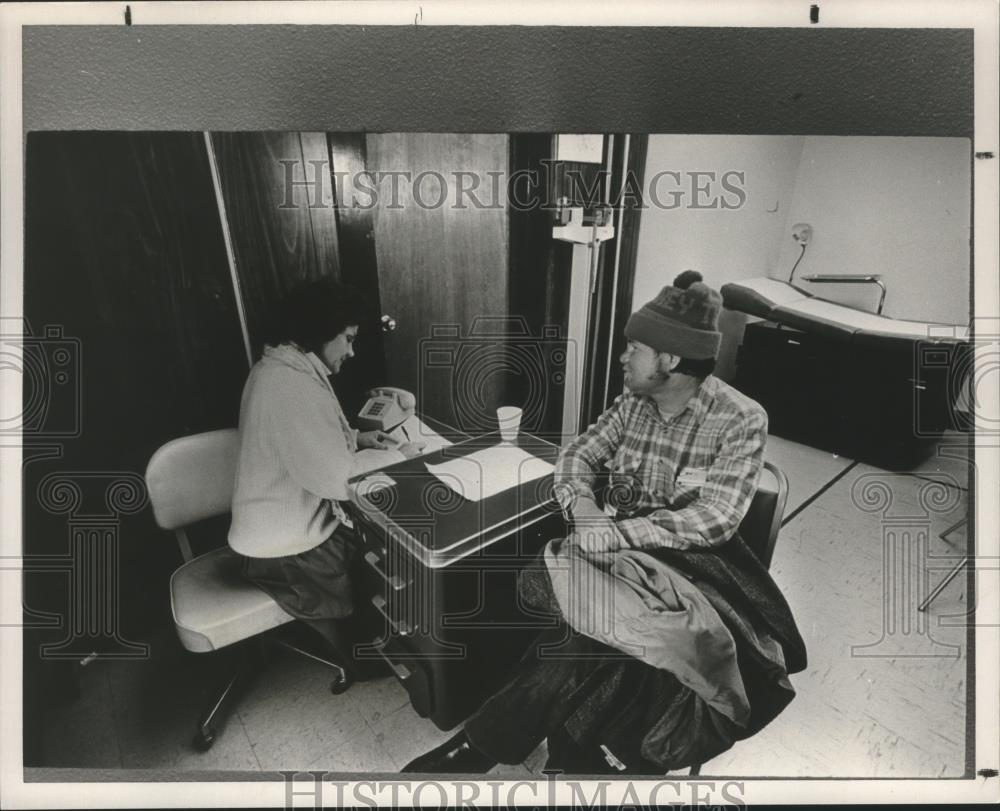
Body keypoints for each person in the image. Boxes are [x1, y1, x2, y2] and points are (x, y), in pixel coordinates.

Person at [403, 270, 806, 774]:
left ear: (671, 358)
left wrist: (615, 531)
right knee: (582, 628)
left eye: (633, 347)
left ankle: (484, 748)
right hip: (617, 553)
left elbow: (716, 520)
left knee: (581, 637)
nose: (622, 357)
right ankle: (569, 761)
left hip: (692, 569)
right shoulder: (632, 403)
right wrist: (586, 508)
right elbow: (579, 455)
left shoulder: (741, 418)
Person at [228, 278, 423, 679]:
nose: (352, 352)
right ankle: (366, 656)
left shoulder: (279, 369)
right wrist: (395, 455)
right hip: (285, 551)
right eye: (348, 339)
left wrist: (357, 437)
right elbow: (338, 480)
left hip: (271, 530)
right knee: (373, 572)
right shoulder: (292, 385)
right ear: (321, 332)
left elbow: (301, 440)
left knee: (370, 547)